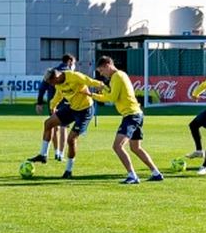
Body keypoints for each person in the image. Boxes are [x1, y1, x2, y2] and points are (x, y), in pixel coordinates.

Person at [92, 56, 163, 184]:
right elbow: (114, 94)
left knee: (117, 146)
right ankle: (156, 173)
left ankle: (132, 176)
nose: (101, 74)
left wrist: (93, 95)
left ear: (108, 65)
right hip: (136, 114)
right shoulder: (119, 76)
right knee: (136, 148)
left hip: (131, 115)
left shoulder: (117, 76)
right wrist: (104, 89)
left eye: (101, 70)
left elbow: (112, 98)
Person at [27, 66, 102, 178]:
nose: (51, 85)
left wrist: (101, 85)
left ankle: (68, 170)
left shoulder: (74, 76)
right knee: (48, 123)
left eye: (51, 82)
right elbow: (59, 95)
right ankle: (43, 155)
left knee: (71, 139)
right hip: (71, 108)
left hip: (85, 110)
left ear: (56, 77)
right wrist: (53, 106)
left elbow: (89, 81)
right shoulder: (58, 84)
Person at [34, 53, 76, 162]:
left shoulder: (52, 72)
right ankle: (60, 154)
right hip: (66, 103)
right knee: (63, 127)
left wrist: (39, 102)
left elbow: (42, 88)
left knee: (52, 127)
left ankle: (56, 151)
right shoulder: (69, 73)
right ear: (70, 61)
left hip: (52, 103)